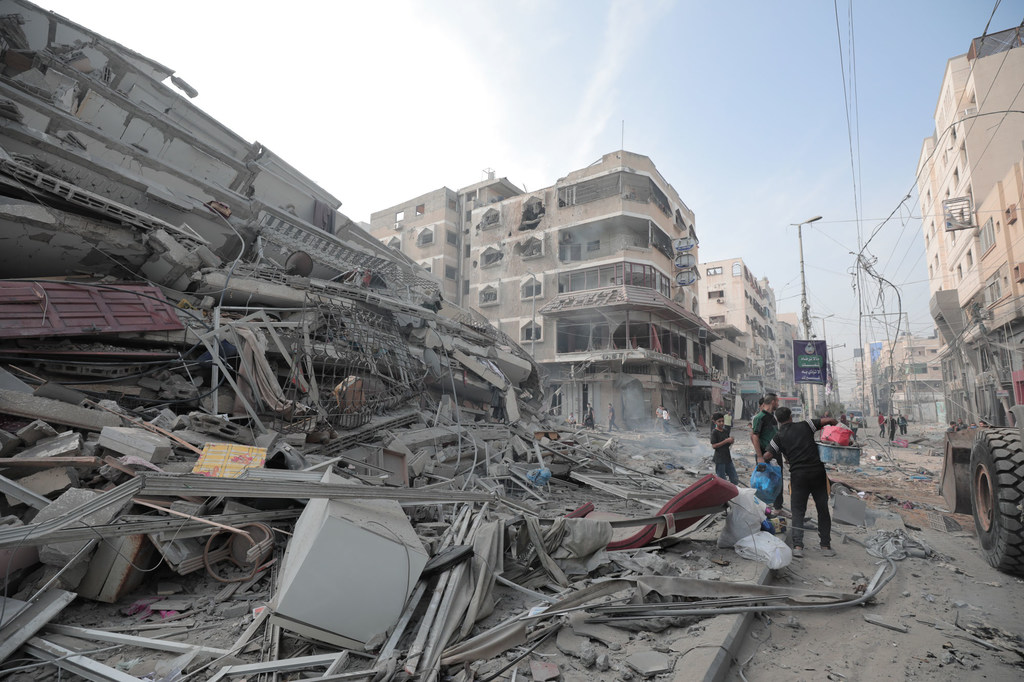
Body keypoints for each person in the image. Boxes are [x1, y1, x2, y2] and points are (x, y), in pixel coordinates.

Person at [763, 407, 838, 558]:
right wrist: (835, 425)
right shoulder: (806, 425)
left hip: (798, 476)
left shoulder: (778, 436)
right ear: (791, 416)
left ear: (777, 420)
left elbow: (767, 455)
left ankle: (798, 546)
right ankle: (825, 546)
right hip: (818, 473)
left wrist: (783, 455)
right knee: (822, 509)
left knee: (797, 511)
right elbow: (828, 420)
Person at [750, 394, 781, 509]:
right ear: (772, 402)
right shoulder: (759, 417)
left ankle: (778, 508)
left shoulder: (773, 417)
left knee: (776, 481)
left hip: (775, 455)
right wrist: (759, 456)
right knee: (762, 483)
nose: (778, 403)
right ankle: (762, 510)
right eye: (777, 401)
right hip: (764, 455)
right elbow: (754, 436)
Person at [710, 412, 738, 484]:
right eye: (719, 421)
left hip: (727, 457)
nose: (721, 423)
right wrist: (725, 441)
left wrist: (731, 441)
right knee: (722, 480)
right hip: (719, 459)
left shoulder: (725, 431)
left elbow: (727, 444)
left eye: (722, 421)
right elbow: (714, 446)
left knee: (734, 478)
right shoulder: (714, 432)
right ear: (715, 422)